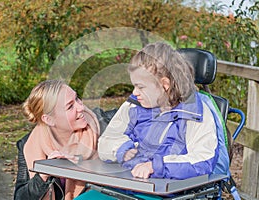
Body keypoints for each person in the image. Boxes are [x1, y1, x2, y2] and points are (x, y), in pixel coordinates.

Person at [98, 42, 229, 180]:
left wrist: (155, 166)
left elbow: (203, 161)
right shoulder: (134, 105)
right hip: (128, 183)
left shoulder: (195, 113)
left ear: (164, 85)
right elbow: (107, 140)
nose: (134, 92)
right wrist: (122, 149)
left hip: (168, 190)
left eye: (140, 87)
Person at [14, 80, 99, 200]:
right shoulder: (29, 144)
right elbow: (20, 197)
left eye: (77, 98)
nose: (81, 107)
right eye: (70, 106)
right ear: (49, 119)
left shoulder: (100, 124)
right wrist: (43, 173)